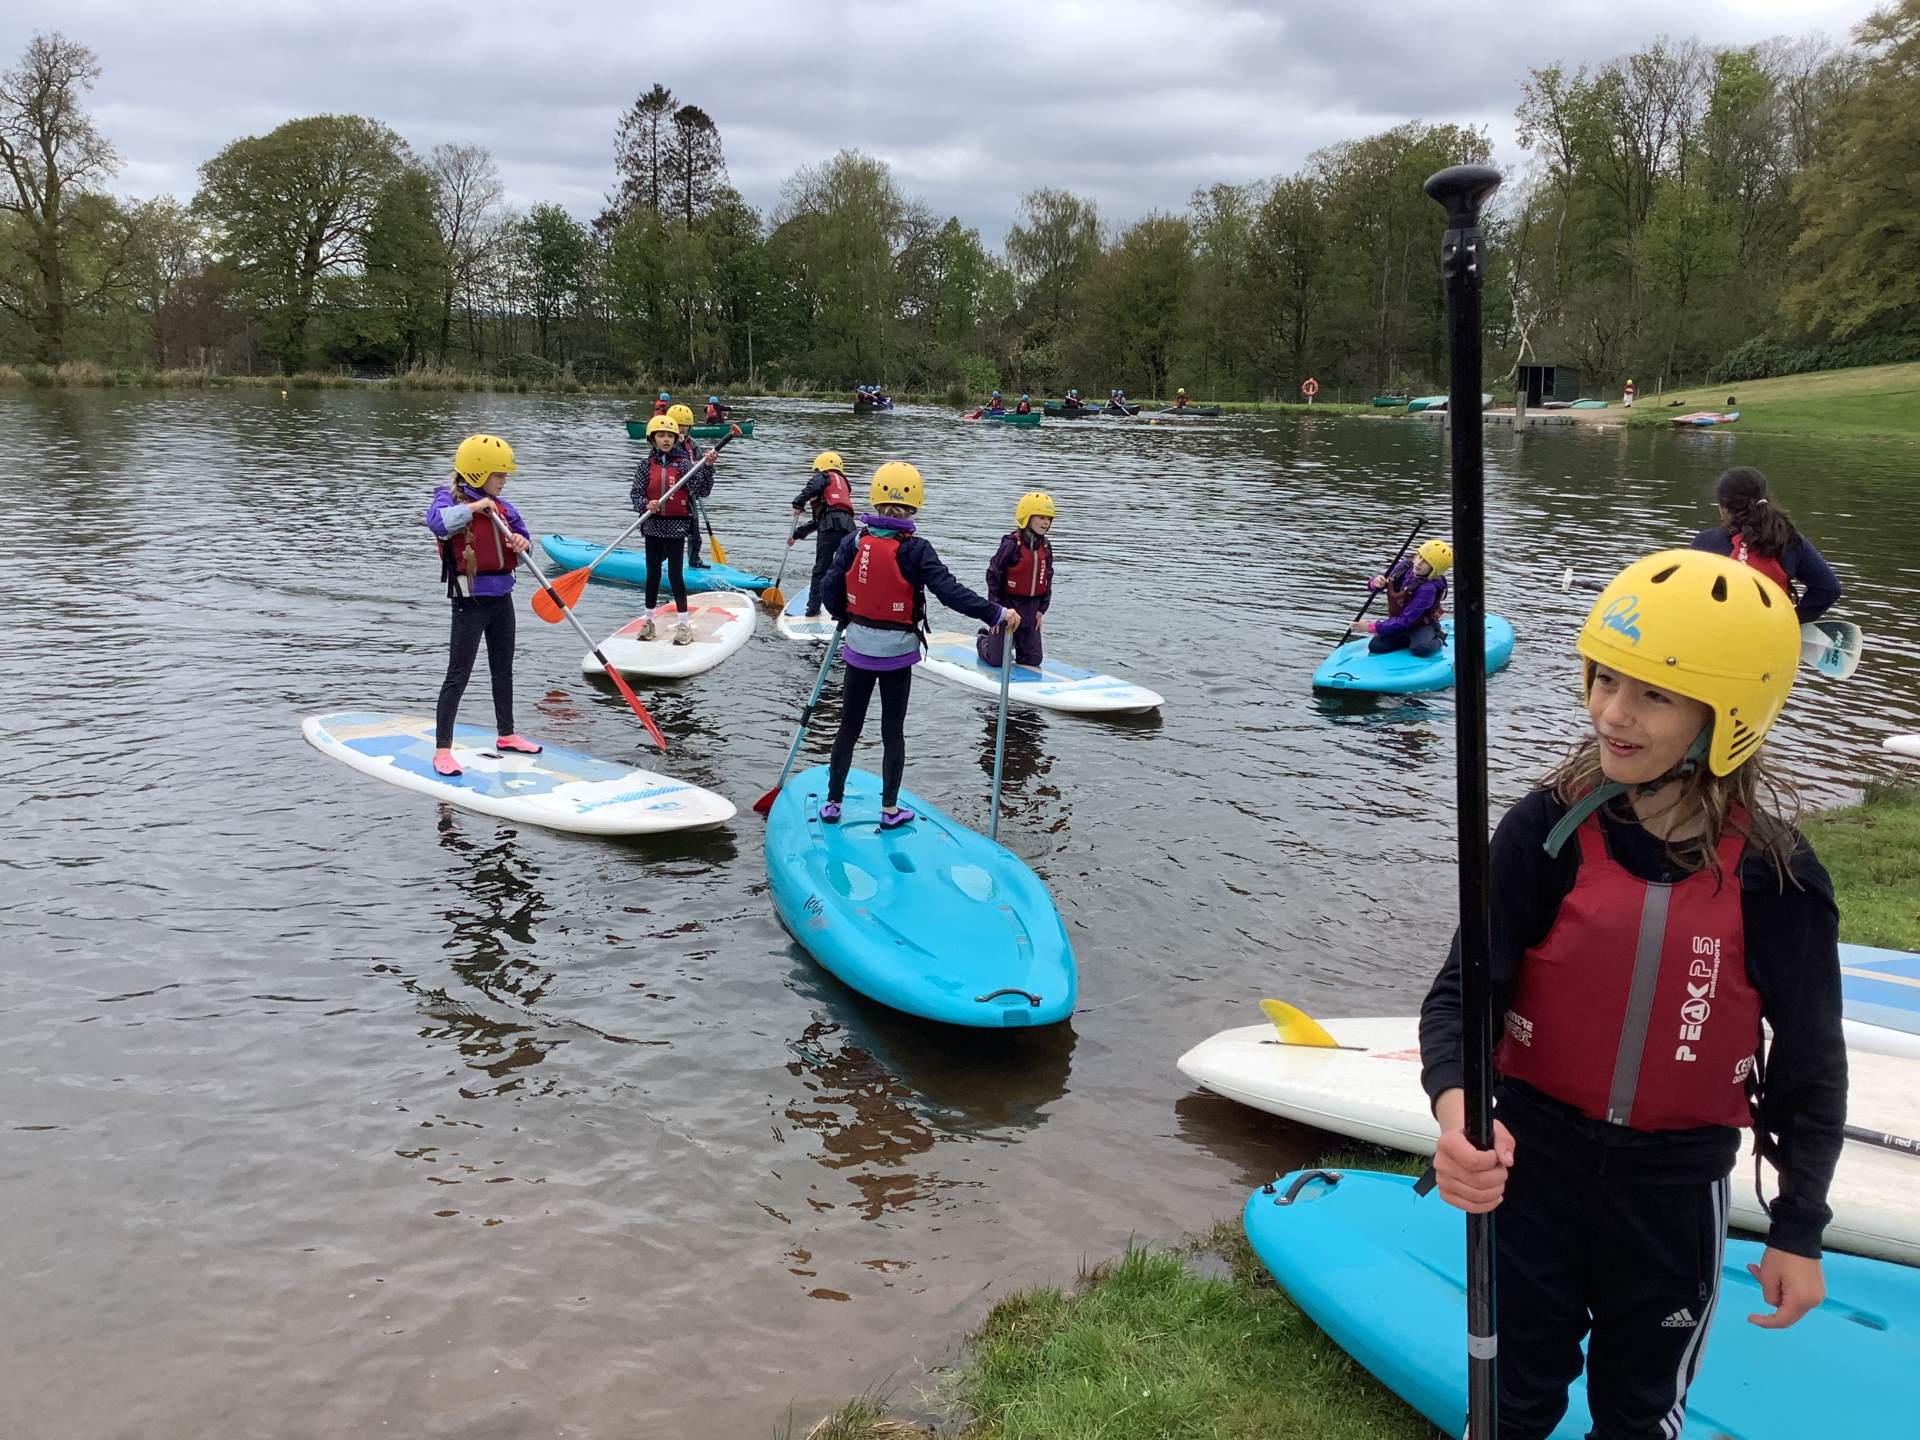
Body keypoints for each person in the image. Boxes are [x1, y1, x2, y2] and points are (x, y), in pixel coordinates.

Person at [1419, 548, 1843, 1440]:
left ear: (1727, 717)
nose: (1613, 712)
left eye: (1653, 694)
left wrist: (1798, 1229)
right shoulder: (1544, 830)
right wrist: (1460, 1118)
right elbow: (1462, 999)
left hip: (1672, 1194)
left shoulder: (1777, 877)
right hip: (1532, 1173)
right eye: (1605, 678)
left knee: (1637, 1418)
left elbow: (1811, 1067)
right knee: (1511, 1404)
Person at [820, 462, 1017, 829]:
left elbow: (830, 587)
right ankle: (889, 810)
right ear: (914, 505)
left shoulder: (853, 542)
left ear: (875, 499)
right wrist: (996, 613)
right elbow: (950, 592)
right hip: (896, 656)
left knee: (849, 726)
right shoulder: (918, 550)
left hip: (858, 649)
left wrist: (843, 616)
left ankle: (833, 803)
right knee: (892, 731)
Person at [423, 434, 540, 776]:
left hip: (502, 598)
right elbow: (437, 523)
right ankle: (443, 750)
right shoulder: (448, 499)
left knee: (503, 668)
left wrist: (522, 543)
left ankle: (507, 734)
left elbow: (526, 542)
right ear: (477, 472)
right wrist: (475, 508)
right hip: (469, 602)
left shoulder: (504, 508)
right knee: (458, 674)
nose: (504, 481)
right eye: (499, 475)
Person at [1689, 466, 1841, 624]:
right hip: (1771, 630)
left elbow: (1687, 591)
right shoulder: (1789, 540)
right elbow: (1829, 590)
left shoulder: (1706, 542)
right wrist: (1794, 621)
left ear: (1724, 508)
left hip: (1717, 629)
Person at [629, 414, 713, 645]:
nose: (666, 439)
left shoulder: (684, 464)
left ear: (676, 439)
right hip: (653, 527)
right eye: (661, 435)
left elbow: (702, 490)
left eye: (670, 436)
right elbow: (635, 495)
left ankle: (684, 625)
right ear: (653, 438)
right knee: (652, 575)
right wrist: (646, 504)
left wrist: (708, 467)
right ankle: (648, 622)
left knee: (676, 575)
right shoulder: (645, 465)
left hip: (676, 528)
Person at [976, 492, 1053, 669]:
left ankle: (1016, 642)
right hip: (1007, 607)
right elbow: (993, 575)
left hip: (1031, 609)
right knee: (996, 661)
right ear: (1026, 517)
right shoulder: (1011, 545)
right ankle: (983, 637)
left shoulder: (1046, 547)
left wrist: (1041, 609)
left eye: (1049, 519)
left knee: (1032, 659)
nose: (1046, 523)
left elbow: (1048, 577)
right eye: (1041, 517)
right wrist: (995, 610)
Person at [1352, 539, 1451, 657]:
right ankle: (1408, 640)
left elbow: (1405, 620)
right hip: (1400, 624)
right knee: (1376, 646)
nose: (1419, 563)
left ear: (1435, 570)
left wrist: (1371, 627)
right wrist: (1375, 583)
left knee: (1420, 649)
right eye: (1420, 557)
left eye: (1426, 562)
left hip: (1422, 625)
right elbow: (1376, 586)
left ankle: (1439, 637)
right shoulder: (1403, 567)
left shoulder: (1428, 589)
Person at [790, 450, 859, 618]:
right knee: (846, 570)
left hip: (830, 528)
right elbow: (821, 519)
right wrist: (797, 534)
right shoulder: (844, 483)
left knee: (821, 570)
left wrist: (798, 503)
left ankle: (813, 609)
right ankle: (844, 612)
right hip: (850, 529)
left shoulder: (824, 477)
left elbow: (812, 489)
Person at [666, 403, 707, 569]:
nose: (682, 429)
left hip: (689, 492)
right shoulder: (667, 443)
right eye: (678, 425)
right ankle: (662, 557)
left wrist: (703, 465)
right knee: (671, 533)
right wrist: (678, 444)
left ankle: (694, 560)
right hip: (672, 491)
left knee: (695, 533)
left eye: (685, 426)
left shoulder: (693, 444)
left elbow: (700, 464)